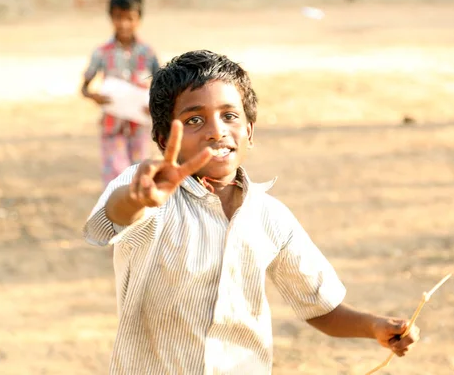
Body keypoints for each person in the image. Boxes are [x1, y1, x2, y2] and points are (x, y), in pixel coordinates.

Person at [83, 50, 419, 374]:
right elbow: (113, 218)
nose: (217, 130)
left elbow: (320, 307)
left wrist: (375, 326)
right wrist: (138, 198)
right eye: (195, 120)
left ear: (249, 131)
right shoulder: (149, 187)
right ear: (161, 137)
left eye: (230, 116)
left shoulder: (270, 216)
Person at [81, 0, 160, 187]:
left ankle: (136, 217)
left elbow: (161, 85)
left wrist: (154, 105)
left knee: (140, 172)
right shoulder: (102, 52)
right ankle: (116, 215)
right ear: (111, 17)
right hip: (112, 124)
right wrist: (95, 97)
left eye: (130, 18)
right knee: (116, 174)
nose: (124, 24)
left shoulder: (148, 52)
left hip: (140, 124)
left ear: (139, 19)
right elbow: (84, 88)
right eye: (118, 17)